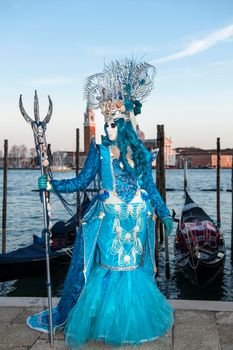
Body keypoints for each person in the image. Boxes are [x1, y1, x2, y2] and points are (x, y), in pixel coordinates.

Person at [27, 58, 174, 349]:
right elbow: (81, 182)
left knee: (131, 269)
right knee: (107, 266)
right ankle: (100, 320)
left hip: (135, 217)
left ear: (124, 125)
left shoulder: (138, 153)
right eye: (104, 123)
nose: (106, 129)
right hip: (108, 218)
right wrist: (52, 183)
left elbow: (150, 187)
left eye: (111, 124)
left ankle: (124, 321)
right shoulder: (99, 151)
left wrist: (164, 213)